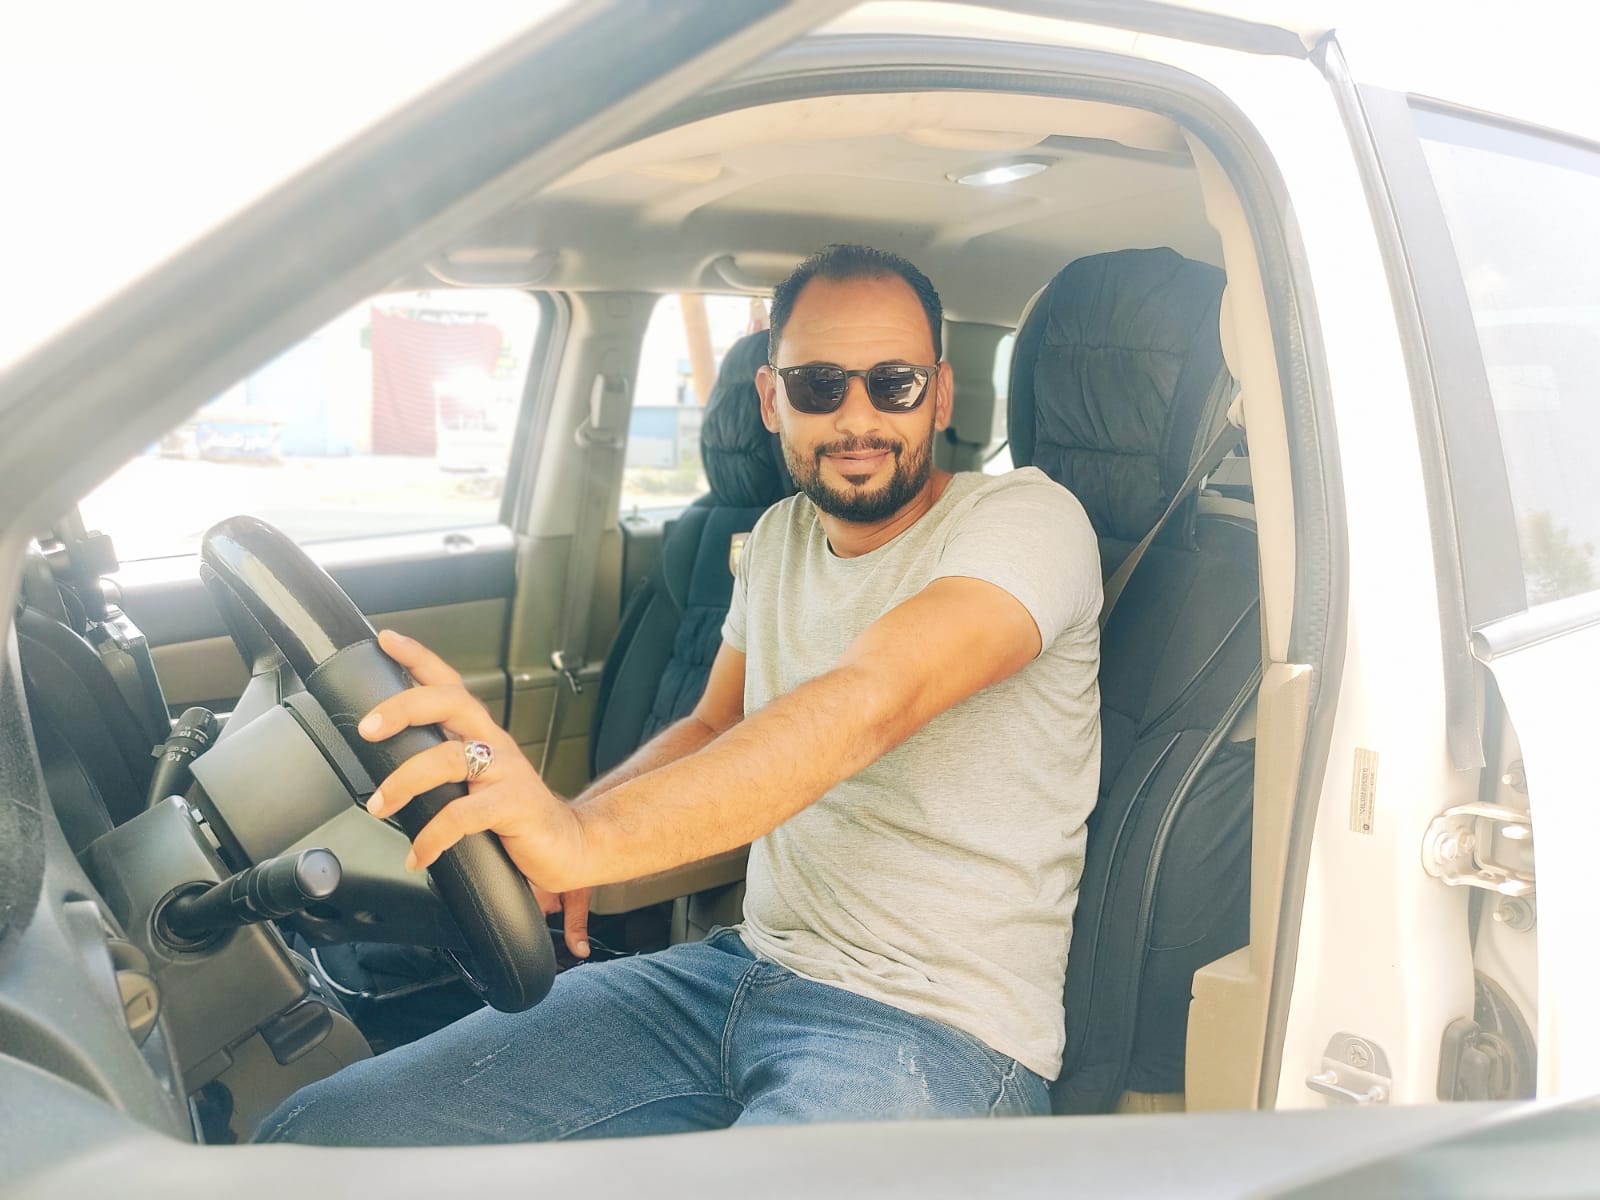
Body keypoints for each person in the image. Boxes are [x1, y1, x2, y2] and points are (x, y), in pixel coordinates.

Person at [259, 244, 1102, 1146]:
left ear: (940, 394)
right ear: (771, 398)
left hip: (936, 1031)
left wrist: (586, 839)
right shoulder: (776, 537)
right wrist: (568, 840)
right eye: (819, 385)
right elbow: (712, 724)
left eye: (893, 384)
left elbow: (874, 697)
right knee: (322, 1135)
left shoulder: (1027, 521)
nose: (857, 418)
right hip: (733, 977)